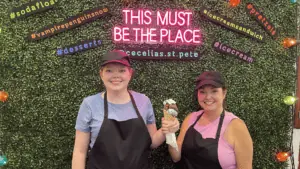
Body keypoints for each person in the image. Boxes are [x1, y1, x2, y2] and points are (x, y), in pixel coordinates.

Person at [72, 50, 180, 169]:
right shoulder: (89, 104)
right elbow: (79, 151)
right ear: (101, 74)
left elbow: (152, 142)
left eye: (122, 70)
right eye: (109, 70)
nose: (115, 75)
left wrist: (167, 129)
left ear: (130, 73)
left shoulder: (144, 101)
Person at [168, 71, 253, 169]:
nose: (208, 97)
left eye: (214, 91)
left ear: (224, 93)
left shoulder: (236, 126)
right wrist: (170, 134)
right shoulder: (191, 118)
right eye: (202, 92)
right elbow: (176, 157)